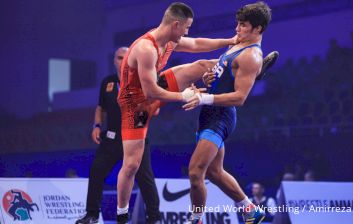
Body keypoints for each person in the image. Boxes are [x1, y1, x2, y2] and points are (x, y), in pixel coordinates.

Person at [116, 2, 238, 223]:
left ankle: (242, 70)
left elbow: (197, 43)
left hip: (157, 84)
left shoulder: (170, 40)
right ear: (176, 24)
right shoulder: (146, 49)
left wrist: (229, 41)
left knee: (204, 65)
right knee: (132, 164)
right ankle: (122, 214)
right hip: (137, 105)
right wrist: (185, 95)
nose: (187, 32)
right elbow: (151, 92)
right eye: (186, 27)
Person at [181, 2, 272, 223]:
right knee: (214, 172)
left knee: (195, 171)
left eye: (243, 25)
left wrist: (204, 97)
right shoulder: (236, 46)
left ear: (257, 29)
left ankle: (196, 219)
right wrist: (207, 81)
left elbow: (239, 97)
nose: (237, 29)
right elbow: (222, 81)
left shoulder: (251, 56)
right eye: (238, 24)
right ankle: (250, 209)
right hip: (209, 114)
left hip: (221, 118)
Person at [76, 47, 162, 224]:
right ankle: (91, 215)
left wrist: (138, 127)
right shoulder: (107, 82)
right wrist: (97, 126)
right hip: (112, 138)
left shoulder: (141, 79)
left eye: (126, 57)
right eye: (119, 57)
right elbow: (100, 108)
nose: (123, 61)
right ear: (114, 60)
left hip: (136, 139)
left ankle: (155, 218)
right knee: (96, 171)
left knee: (145, 177)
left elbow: (155, 107)